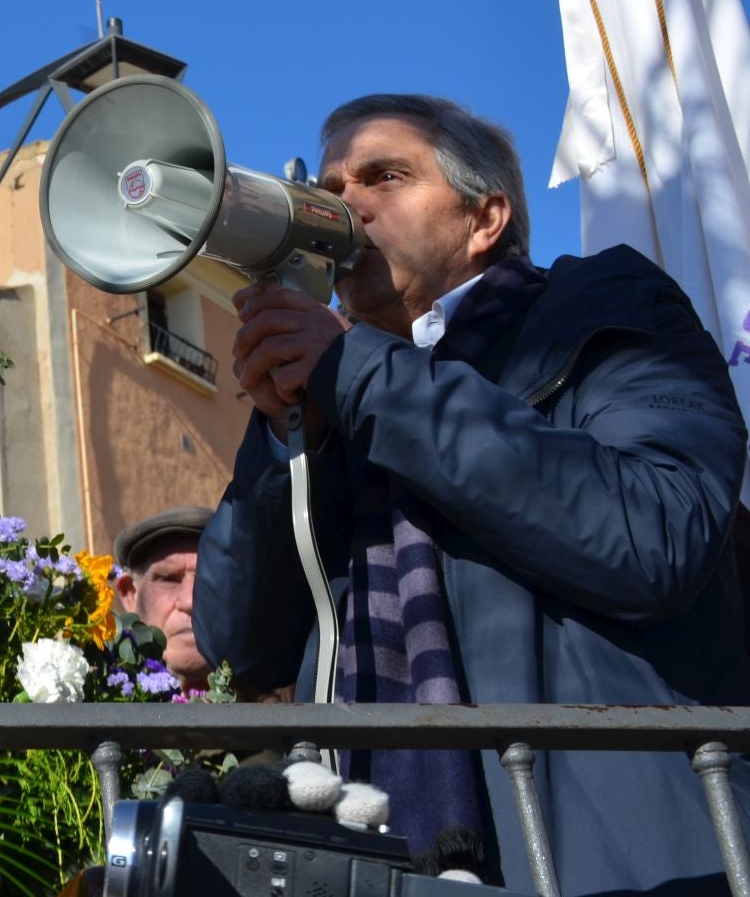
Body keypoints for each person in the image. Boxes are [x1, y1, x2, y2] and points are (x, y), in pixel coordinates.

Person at [194, 94, 750, 895]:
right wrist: (288, 435)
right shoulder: (338, 397)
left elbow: (654, 535)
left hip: (625, 859)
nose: (343, 204)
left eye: (384, 175)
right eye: (330, 185)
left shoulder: (604, 306)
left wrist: (358, 375)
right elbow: (239, 640)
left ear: (485, 217)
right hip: (380, 859)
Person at [111, 506, 213, 690]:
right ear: (130, 594)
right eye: (169, 580)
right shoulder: (93, 702)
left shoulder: (278, 705)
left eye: (209, 579)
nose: (190, 602)